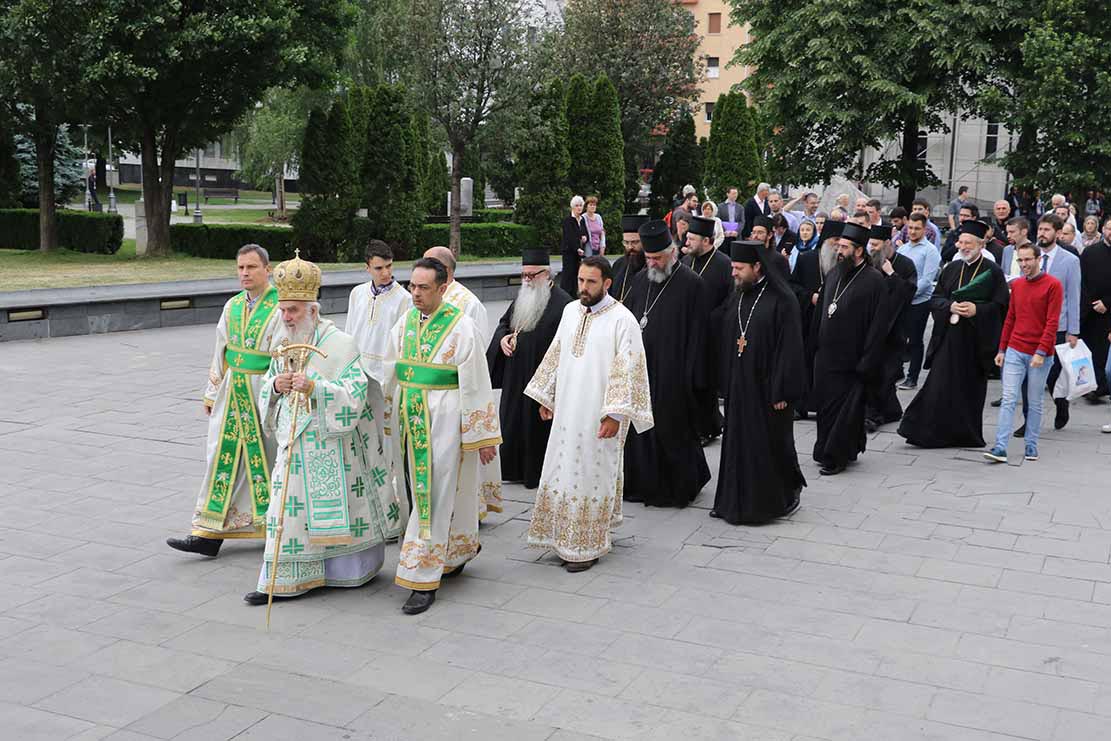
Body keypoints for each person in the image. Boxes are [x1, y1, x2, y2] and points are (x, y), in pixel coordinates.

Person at [244, 251, 402, 605]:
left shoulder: (340, 344)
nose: (286, 317)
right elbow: (268, 384)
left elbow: (356, 394)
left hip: (332, 444)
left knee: (331, 511)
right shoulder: (283, 344)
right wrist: (276, 386)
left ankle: (342, 572)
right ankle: (281, 580)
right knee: (285, 511)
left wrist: (314, 387)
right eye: (283, 310)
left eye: (294, 311)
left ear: (312, 310)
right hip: (294, 442)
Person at [384, 257, 501, 614]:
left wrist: (480, 436)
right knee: (419, 492)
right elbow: (391, 369)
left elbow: (477, 382)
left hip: (446, 421)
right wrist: (384, 414)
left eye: (423, 288)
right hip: (410, 417)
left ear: (442, 288)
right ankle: (456, 551)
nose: (415, 294)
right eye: (412, 286)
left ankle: (422, 575)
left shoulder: (462, 326)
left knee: (433, 493)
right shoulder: (404, 322)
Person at [525, 256, 653, 571]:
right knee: (563, 468)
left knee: (592, 475)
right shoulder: (570, 311)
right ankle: (561, 536)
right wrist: (548, 396)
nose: (583, 287)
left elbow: (630, 370)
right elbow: (557, 353)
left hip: (599, 415)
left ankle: (587, 545)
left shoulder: (623, 320)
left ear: (606, 283)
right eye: (581, 280)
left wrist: (615, 415)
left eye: (591, 282)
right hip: (567, 409)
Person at [168, 245, 285, 558]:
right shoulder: (232, 306)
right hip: (232, 392)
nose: (245, 274)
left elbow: (285, 352)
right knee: (220, 459)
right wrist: (211, 391)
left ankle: (274, 526)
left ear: (267, 269)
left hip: (264, 394)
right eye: (240, 268)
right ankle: (207, 532)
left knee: (269, 462)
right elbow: (221, 350)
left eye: (251, 267)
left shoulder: (280, 306)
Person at [712, 239, 806, 524]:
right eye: (732, 267)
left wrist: (782, 391)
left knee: (769, 446)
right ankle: (732, 501)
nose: (734, 273)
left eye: (739, 268)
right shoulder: (740, 294)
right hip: (740, 385)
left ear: (757, 266)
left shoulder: (783, 300)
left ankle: (777, 499)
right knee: (738, 443)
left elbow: (789, 350)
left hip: (769, 389)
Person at [898, 221, 1010, 448]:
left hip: (975, 343)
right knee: (938, 386)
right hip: (948, 339)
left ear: (981, 244)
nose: (964, 247)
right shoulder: (951, 268)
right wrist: (950, 307)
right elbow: (935, 298)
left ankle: (965, 435)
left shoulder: (992, 271)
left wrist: (977, 309)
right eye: (961, 242)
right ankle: (928, 433)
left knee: (968, 390)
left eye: (969, 243)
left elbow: (1001, 306)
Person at [623, 220, 711, 505]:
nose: (652, 263)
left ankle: (677, 487)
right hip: (641, 370)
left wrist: (692, 376)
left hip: (674, 372)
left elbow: (700, 335)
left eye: (657, 258)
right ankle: (641, 484)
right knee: (640, 431)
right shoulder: (640, 280)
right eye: (649, 258)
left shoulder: (692, 284)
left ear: (672, 253)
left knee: (672, 430)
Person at [423, 246, 501, 516]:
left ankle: (469, 509)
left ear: (445, 272)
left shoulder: (469, 304)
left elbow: (476, 357)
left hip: (456, 395)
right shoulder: (422, 298)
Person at [487, 248, 573, 490]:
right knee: (513, 423)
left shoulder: (564, 304)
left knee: (535, 429)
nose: (526, 280)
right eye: (523, 275)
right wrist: (503, 338)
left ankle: (536, 472)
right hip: (516, 377)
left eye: (531, 275)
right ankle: (512, 468)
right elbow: (505, 323)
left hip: (541, 379)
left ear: (547, 275)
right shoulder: (522, 297)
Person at [810, 222, 888, 475]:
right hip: (825, 358)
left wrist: (867, 361)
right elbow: (822, 311)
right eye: (838, 246)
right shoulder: (834, 274)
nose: (839, 251)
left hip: (852, 360)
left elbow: (878, 326)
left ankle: (836, 456)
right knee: (826, 408)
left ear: (858, 251)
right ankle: (831, 448)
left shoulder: (874, 281)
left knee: (844, 411)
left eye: (844, 247)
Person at [344, 239, 413, 526]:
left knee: (387, 441)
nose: (385, 273)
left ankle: (389, 506)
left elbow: (401, 342)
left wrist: (392, 381)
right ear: (367, 267)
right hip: (359, 374)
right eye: (378, 268)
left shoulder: (404, 299)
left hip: (385, 379)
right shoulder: (357, 293)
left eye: (388, 267)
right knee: (359, 437)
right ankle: (362, 500)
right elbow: (349, 332)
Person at [985, 243, 1062, 464]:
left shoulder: (1053, 285)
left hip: (1040, 353)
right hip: (1015, 350)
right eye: (1020, 260)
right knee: (1009, 398)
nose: (1024, 264)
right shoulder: (1017, 285)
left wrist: (1040, 351)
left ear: (1039, 259)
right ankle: (1000, 446)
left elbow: (1052, 322)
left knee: (1035, 401)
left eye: (1028, 260)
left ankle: (1031, 444)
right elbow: (1010, 318)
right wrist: (1002, 348)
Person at [1018, 214, 1081, 433]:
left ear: (1057, 232)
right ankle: (1028, 421)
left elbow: (1074, 296)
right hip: (1030, 326)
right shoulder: (1028, 256)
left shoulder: (1070, 260)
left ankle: (1061, 402)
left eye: (1047, 230)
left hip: (1058, 327)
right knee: (1028, 376)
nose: (1042, 233)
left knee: (1051, 375)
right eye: (1040, 229)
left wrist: (1074, 331)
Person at [864, 224, 918, 432]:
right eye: (871, 245)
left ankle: (876, 415)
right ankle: (889, 411)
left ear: (888, 244)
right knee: (874, 372)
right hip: (873, 327)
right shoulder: (870, 263)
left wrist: (892, 274)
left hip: (896, 328)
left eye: (876, 245)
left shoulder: (905, 264)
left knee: (887, 373)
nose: (873, 249)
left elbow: (909, 293)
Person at [791, 220, 842, 419]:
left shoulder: (843, 264)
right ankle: (801, 405)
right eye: (835, 240)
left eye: (841, 241)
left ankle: (825, 404)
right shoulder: (807, 259)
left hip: (833, 323)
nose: (838, 245)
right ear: (825, 240)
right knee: (805, 363)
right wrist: (811, 296)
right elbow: (793, 286)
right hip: (809, 321)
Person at [896, 213, 942, 391]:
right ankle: (897, 371)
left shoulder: (930, 250)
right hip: (902, 300)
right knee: (899, 338)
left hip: (919, 301)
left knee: (915, 340)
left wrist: (907, 294)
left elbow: (927, 280)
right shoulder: (903, 249)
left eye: (917, 228)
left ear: (924, 229)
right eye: (910, 228)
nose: (913, 231)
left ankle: (912, 377)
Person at [1081, 218, 1111, 400]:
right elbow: (1081, 280)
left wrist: (1107, 303)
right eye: (1109, 228)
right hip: (1092, 310)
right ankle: (1095, 386)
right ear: (1103, 230)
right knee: (1093, 349)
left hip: (1109, 309)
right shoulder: (1090, 252)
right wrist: (1093, 303)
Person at [612, 214, 648, 302]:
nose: (629, 247)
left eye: (635, 242)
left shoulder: (652, 267)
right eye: (626, 242)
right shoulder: (618, 265)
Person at [559, 195, 589, 295]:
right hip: (569, 251)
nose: (579, 208)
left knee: (577, 274)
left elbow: (585, 233)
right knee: (568, 274)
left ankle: (574, 295)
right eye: (577, 206)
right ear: (572, 207)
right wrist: (577, 248)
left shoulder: (582, 220)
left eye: (581, 205)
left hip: (579, 252)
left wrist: (585, 237)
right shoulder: (568, 220)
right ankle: (565, 295)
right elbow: (569, 237)